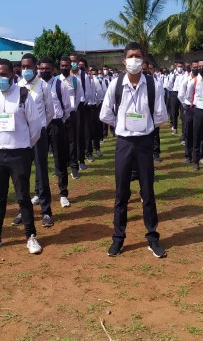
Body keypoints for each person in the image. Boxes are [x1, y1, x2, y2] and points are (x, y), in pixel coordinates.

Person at [100, 42, 168, 258]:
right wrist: (122, 125)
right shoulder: (116, 84)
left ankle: (152, 237)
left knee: (147, 191)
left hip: (144, 143)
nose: (134, 60)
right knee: (121, 192)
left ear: (143, 60)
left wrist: (144, 127)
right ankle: (118, 238)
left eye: (138, 56)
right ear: (124, 61)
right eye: (130, 56)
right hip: (124, 143)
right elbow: (105, 114)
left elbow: (161, 115)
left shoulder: (153, 84)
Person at [0, 59, 42, 254]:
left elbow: (35, 126)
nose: (0, 78)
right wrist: (0, 142)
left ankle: (31, 236)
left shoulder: (23, 95)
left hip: (20, 154)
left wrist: (23, 144)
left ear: (12, 75)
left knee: (23, 197)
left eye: (3, 75)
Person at [12, 53, 55, 227]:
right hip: (22, 136)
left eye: (28, 66)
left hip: (39, 135)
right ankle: (24, 211)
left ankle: (46, 211)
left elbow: (50, 111)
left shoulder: (43, 86)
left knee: (41, 172)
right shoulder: (17, 86)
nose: (25, 70)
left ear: (35, 67)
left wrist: (40, 126)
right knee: (21, 174)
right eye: (23, 67)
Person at [40, 57, 72, 209]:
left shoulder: (60, 85)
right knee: (40, 160)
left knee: (60, 159)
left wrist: (59, 121)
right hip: (40, 126)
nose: (44, 71)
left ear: (53, 69)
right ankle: (39, 192)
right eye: (42, 68)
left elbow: (67, 107)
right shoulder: (36, 86)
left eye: (47, 68)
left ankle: (63, 193)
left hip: (56, 124)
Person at [185, 60, 203, 171]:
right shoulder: (194, 80)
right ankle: (196, 161)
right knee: (196, 134)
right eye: (199, 66)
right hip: (198, 110)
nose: (201, 68)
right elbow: (188, 95)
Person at [59, 57, 82, 179]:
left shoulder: (75, 80)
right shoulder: (56, 80)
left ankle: (74, 167)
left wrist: (72, 108)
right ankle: (60, 168)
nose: (64, 68)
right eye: (62, 66)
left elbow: (79, 97)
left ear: (70, 67)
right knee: (60, 142)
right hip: (59, 116)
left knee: (73, 141)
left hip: (72, 114)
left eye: (66, 66)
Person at [70, 54, 93, 171]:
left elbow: (88, 94)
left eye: (74, 61)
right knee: (69, 136)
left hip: (79, 108)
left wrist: (80, 104)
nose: (72, 63)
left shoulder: (84, 76)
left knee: (79, 134)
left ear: (78, 62)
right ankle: (70, 160)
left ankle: (81, 159)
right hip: (67, 109)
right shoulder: (66, 76)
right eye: (70, 61)